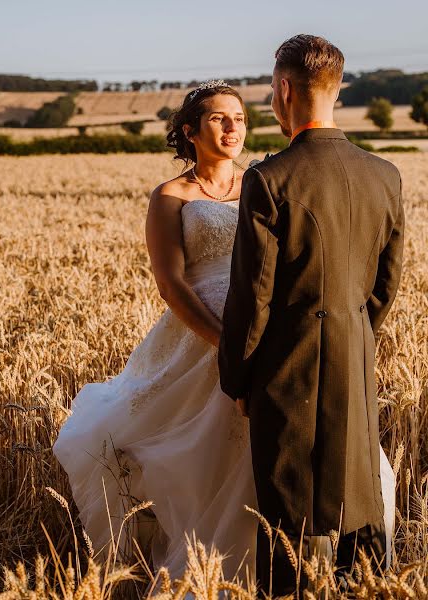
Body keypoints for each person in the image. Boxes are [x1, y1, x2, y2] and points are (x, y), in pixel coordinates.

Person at [53, 77, 395, 593]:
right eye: (218, 118)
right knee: (198, 459)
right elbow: (171, 284)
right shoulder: (170, 196)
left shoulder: (268, 179)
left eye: (238, 117)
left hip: (272, 329)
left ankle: (294, 569)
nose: (232, 127)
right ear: (190, 131)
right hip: (203, 337)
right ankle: (210, 569)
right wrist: (228, 345)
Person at [218, 35, 403, 597]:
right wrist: (350, 330)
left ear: (283, 90)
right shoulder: (385, 175)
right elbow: (386, 284)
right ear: (338, 90)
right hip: (356, 364)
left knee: (289, 528)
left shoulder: (269, 180)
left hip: (284, 370)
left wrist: (238, 380)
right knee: (359, 513)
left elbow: (253, 298)